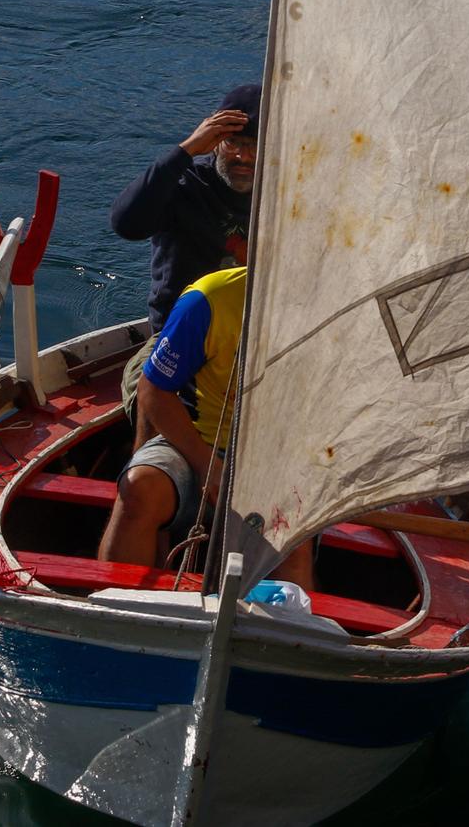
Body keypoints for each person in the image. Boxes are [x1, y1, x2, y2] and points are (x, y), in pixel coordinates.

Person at [96, 265, 314, 590]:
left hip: (282, 455)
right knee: (140, 489)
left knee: (289, 535)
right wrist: (206, 464)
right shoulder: (209, 299)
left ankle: (288, 634)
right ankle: (112, 610)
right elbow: (153, 389)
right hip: (198, 440)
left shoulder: (344, 306)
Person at [110, 82, 258, 439]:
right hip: (179, 342)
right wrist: (186, 151)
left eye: (255, 146)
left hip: (257, 342)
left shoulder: (288, 188)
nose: (243, 157)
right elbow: (126, 223)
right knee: (149, 394)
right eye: (233, 143)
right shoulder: (185, 186)